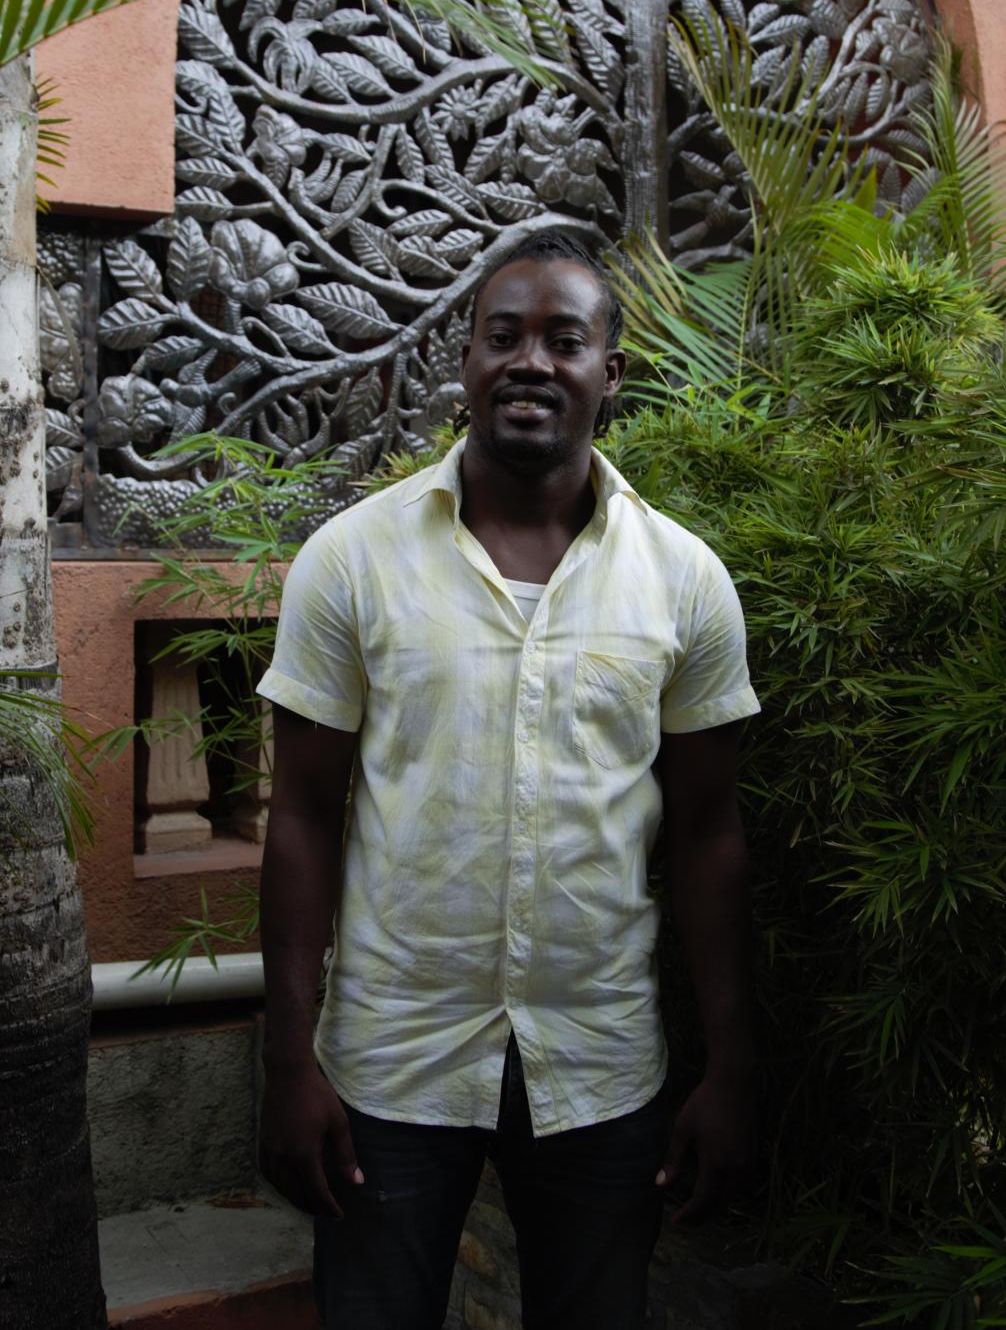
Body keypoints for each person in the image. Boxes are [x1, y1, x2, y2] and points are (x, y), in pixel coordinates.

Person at [256, 228, 761, 1330]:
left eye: (562, 340)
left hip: (598, 1061)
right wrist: (285, 1059)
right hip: (391, 1060)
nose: (530, 361)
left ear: (608, 374)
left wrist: (730, 1067)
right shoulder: (352, 559)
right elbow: (300, 817)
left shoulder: (683, 579)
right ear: (468, 362)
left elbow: (707, 833)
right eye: (503, 336)